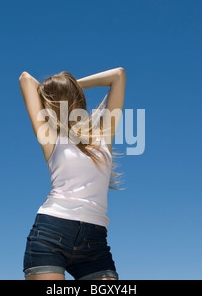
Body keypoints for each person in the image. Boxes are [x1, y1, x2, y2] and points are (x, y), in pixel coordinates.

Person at [19, 67, 126, 280]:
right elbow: (25, 79)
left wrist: (74, 85)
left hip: (95, 243)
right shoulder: (49, 136)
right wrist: (57, 89)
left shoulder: (103, 135)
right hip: (50, 233)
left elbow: (118, 75)